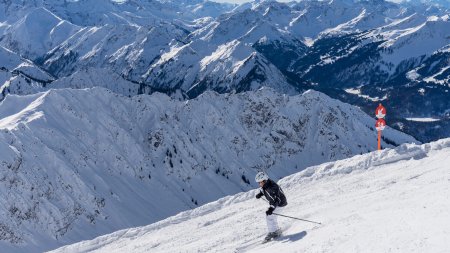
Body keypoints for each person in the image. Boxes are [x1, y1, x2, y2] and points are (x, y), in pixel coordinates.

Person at [255, 171, 287, 241]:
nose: (259, 184)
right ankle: (276, 230)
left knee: (269, 216)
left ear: (264, 180)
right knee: (272, 217)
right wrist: (261, 194)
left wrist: (271, 208)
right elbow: (265, 190)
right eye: (258, 182)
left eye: (260, 182)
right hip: (278, 202)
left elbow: (277, 200)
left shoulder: (272, 187)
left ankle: (273, 232)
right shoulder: (267, 184)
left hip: (280, 203)